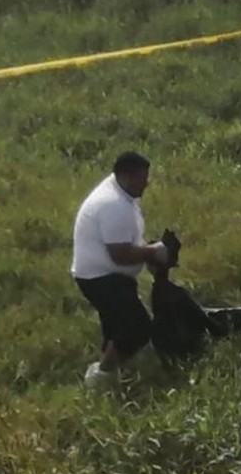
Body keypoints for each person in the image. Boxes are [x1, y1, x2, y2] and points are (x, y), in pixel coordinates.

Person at [70, 151, 175, 389]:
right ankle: (100, 377)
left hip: (102, 275)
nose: (147, 183)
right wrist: (153, 252)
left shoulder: (119, 193)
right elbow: (120, 255)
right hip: (101, 279)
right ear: (126, 177)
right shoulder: (112, 204)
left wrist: (146, 250)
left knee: (116, 327)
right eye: (142, 178)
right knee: (136, 328)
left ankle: (110, 373)